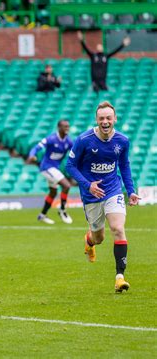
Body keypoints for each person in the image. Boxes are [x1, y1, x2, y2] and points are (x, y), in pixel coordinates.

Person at [65, 101, 139, 292]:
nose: (105, 121)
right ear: (96, 120)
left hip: (113, 190)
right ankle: (89, 241)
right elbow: (70, 166)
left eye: (108, 118)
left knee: (117, 228)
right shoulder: (84, 140)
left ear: (115, 119)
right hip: (91, 195)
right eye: (101, 118)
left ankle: (119, 277)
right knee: (99, 238)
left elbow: (124, 165)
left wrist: (130, 190)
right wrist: (88, 185)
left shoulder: (122, 141)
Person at [26, 120, 74, 224]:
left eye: (68, 126)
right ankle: (62, 210)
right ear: (59, 127)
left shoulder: (68, 141)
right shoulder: (51, 139)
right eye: (65, 126)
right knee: (66, 186)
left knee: (53, 192)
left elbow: (75, 152)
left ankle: (42, 215)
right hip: (47, 167)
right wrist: (31, 155)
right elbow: (36, 147)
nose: (67, 128)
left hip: (54, 169)